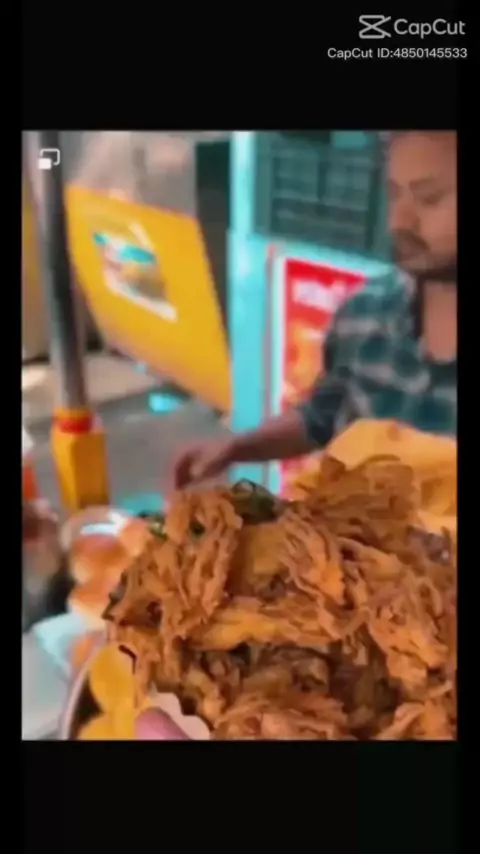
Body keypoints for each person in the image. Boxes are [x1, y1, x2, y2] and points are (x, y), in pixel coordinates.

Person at [172, 131, 457, 491]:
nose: (399, 222)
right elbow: (323, 415)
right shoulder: (365, 313)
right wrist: (237, 448)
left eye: (429, 198)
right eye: (394, 194)